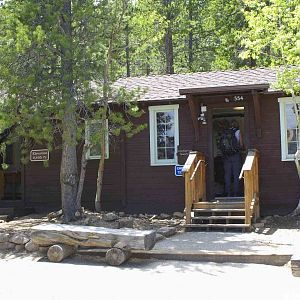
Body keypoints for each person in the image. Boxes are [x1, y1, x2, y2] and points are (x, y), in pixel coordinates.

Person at [219, 119, 243, 197]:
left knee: (227, 175)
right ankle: (236, 193)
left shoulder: (225, 133)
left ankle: (228, 193)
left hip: (226, 156)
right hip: (235, 155)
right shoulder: (238, 132)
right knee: (236, 174)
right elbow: (241, 144)